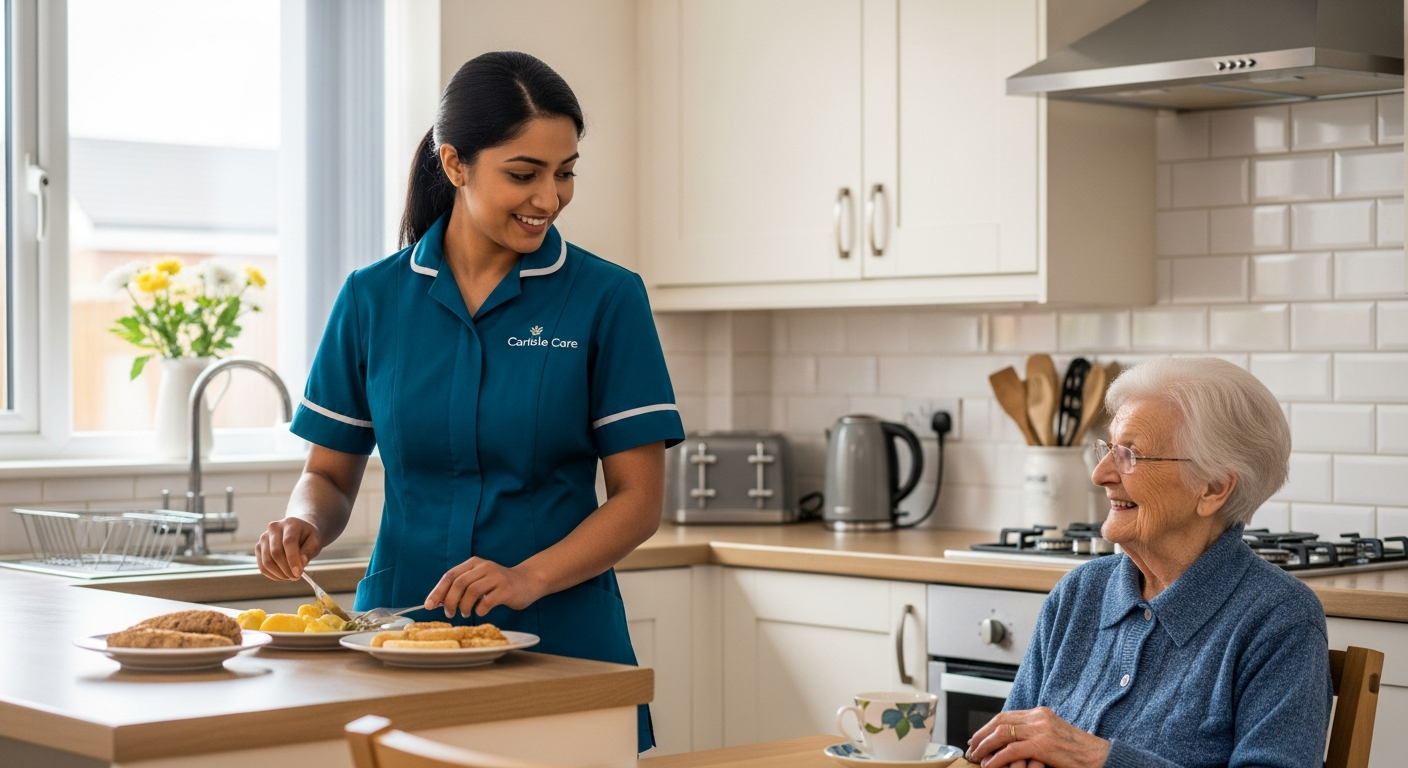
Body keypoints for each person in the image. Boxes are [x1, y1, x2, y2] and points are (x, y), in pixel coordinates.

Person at [254, 51, 683, 752]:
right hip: (395, 643)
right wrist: (303, 523)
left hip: (562, 640)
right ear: (454, 164)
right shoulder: (371, 298)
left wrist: (525, 577)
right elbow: (329, 476)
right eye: (524, 173)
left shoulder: (607, 298)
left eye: (565, 171)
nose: (549, 198)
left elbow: (637, 500)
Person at [967, 357, 1331, 768]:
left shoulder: (1279, 620)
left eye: (1130, 455)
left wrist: (1096, 757)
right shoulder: (1078, 594)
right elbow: (1004, 746)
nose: (1101, 474)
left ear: (1212, 488)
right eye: (1108, 449)